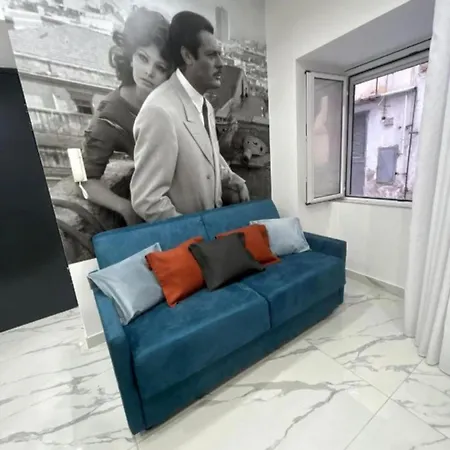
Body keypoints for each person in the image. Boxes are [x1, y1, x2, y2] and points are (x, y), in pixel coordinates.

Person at [130, 10, 250, 223]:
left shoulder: (205, 105)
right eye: (211, 55)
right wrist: (195, 231)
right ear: (187, 56)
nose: (221, 63)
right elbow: (147, 200)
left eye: (219, 54)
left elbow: (208, 153)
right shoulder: (159, 111)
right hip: (190, 240)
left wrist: (232, 179)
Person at [80, 7, 172, 225]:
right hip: (157, 206)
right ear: (130, 56)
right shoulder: (110, 114)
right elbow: (84, 177)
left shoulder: (171, 101)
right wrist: (125, 208)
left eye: (160, 67)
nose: (149, 71)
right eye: (143, 58)